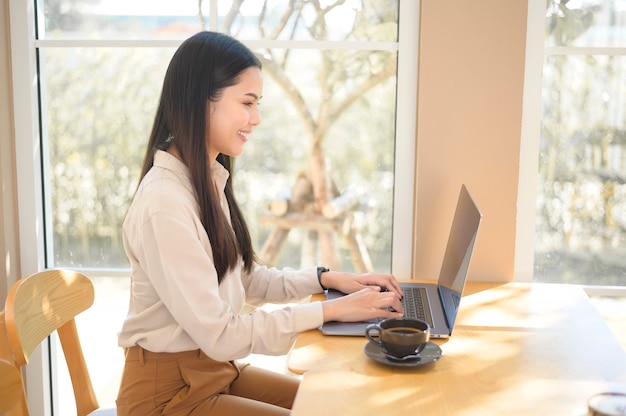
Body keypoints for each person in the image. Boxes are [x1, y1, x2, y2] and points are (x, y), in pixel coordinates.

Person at [115, 30, 404, 416]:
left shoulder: (203, 179)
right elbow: (221, 334)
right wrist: (330, 311)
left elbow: (247, 279)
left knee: (336, 404)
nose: (256, 119)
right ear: (202, 101)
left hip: (212, 372)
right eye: (247, 103)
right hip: (166, 398)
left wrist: (326, 280)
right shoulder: (164, 205)